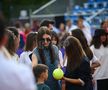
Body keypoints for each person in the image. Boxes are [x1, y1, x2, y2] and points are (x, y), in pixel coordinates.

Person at [0, 18, 36, 90]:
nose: (19, 42)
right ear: (5, 39)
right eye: (19, 38)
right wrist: (35, 62)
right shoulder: (21, 72)